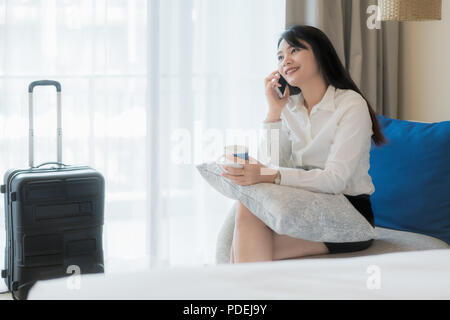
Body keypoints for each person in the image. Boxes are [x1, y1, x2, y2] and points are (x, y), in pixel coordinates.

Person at [221, 24, 388, 263]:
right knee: (250, 207)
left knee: (242, 253)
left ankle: (246, 299)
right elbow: (274, 164)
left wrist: (267, 175)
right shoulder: (289, 108)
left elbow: (335, 179)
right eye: (280, 56)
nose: (285, 60)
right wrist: (273, 113)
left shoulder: (350, 105)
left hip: (349, 213)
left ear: (320, 54)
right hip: (308, 206)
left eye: (294, 50)